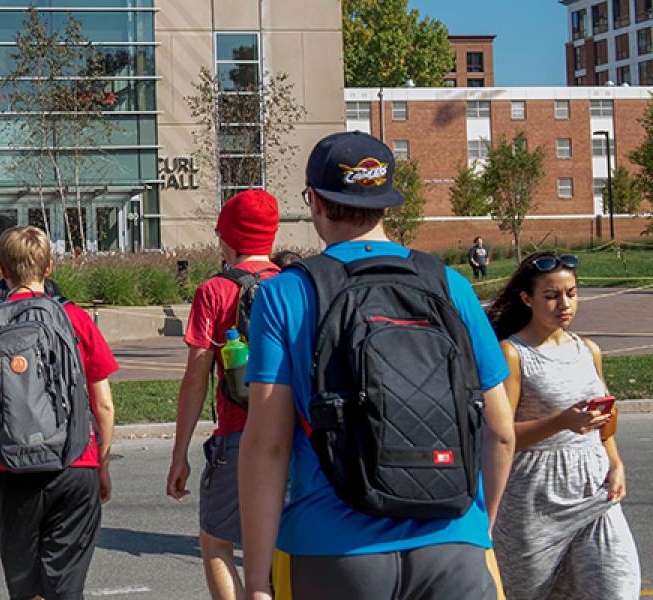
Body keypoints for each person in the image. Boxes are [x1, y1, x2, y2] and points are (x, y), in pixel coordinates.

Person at [238, 131, 517, 600]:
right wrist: (476, 528)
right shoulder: (450, 285)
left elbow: (268, 443)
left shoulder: (285, 292)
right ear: (386, 204)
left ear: (316, 202)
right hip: (453, 542)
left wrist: (255, 580)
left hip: (333, 547)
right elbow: (501, 428)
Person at [0, 225, 117, 600]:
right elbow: (105, 405)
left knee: (25, 589)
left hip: (11, 471)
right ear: (49, 266)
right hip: (74, 464)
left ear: (2, 270)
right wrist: (102, 464)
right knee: (65, 589)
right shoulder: (76, 319)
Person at [487, 252, 640, 599]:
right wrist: (561, 421)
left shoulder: (588, 349)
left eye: (571, 293)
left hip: (595, 491)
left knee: (616, 589)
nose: (564, 304)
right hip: (534, 500)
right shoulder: (512, 354)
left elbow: (606, 419)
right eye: (551, 295)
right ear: (527, 299)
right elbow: (501, 436)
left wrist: (615, 462)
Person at [166, 189, 281, 600]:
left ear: (228, 238)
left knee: (216, 540)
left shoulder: (214, 291)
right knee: (281, 550)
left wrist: (180, 453)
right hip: (293, 437)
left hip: (237, 435)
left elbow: (197, 376)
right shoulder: (294, 284)